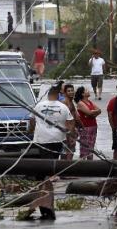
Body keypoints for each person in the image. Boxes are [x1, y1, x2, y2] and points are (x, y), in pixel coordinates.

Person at [29, 83, 73, 220]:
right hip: (57, 139)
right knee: (52, 162)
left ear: (48, 94)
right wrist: (70, 134)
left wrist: (31, 131)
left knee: (45, 165)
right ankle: (45, 189)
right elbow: (70, 122)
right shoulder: (63, 106)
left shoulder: (39, 105)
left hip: (42, 139)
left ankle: (43, 190)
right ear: (57, 94)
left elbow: (31, 120)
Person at [74, 86, 100, 159]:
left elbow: (99, 110)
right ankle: (83, 165)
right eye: (86, 90)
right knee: (84, 148)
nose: (88, 91)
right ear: (82, 94)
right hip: (85, 127)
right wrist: (92, 113)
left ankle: (90, 164)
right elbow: (89, 113)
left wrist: (92, 114)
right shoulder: (80, 103)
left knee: (91, 147)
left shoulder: (90, 102)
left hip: (93, 126)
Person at [61, 83, 81, 160]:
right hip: (67, 131)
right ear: (65, 93)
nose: (71, 92)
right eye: (68, 91)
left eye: (72, 90)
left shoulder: (71, 102)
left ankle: (65, 168)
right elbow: (64, 119)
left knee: (70, 150)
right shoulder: (64, 103)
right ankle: (63, 168)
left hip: (72, 130)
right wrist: (70, 133)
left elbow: (75, 117)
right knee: (66, 151)